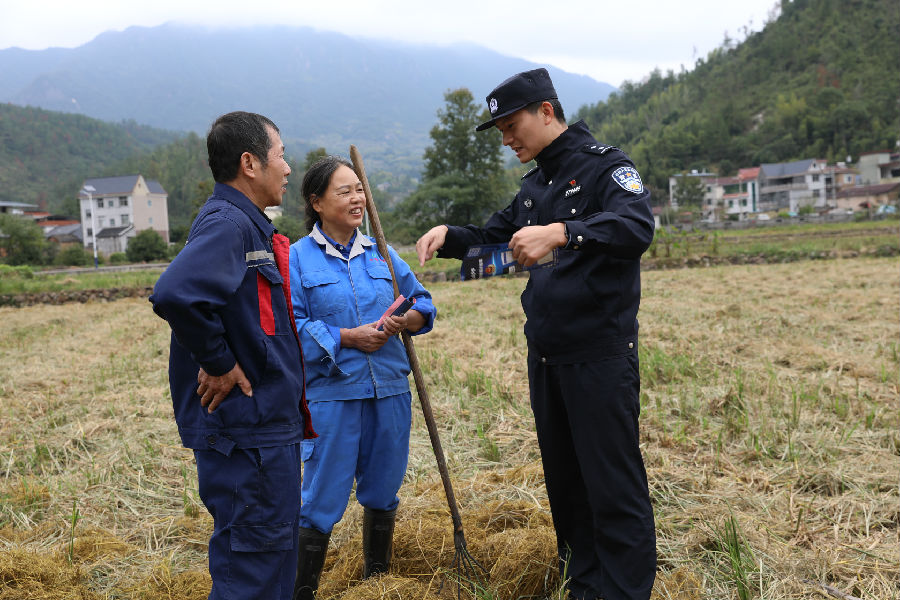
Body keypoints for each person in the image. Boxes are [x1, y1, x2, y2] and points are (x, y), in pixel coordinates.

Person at [415, 68, 657, 600]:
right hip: (547, 356)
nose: (506, 139)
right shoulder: (535, 186)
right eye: (499, 130)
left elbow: (636, 227)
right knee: (568, 488)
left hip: (599, 354)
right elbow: (495, 239)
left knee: (612, 487)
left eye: (510, 125)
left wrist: (565, 232)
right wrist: (450, 236)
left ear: (546, 111)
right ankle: (585, 585)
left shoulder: (605, 168)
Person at [150, 111, 315, 600]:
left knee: (270, 566)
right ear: (250, 163)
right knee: (253, 575)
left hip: (264, 431)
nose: (287, 168)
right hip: (247, 436)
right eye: (280, 155)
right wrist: (219, 362)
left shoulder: (250, 226)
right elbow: (175, 292)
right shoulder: (228, 224)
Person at [289, 156, 436, 599]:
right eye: (344, 191)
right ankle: (303, 591)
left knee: (383, 489)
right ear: (316, 202)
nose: (357, 198)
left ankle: (377, 584)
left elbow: (423, 301)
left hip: (390, 389)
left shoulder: (382, 253)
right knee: (320, 501)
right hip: (332, 397)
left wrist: (407, 319)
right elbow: (291, 325)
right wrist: (346, 338)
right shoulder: (296, 258)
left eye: (360, 189)